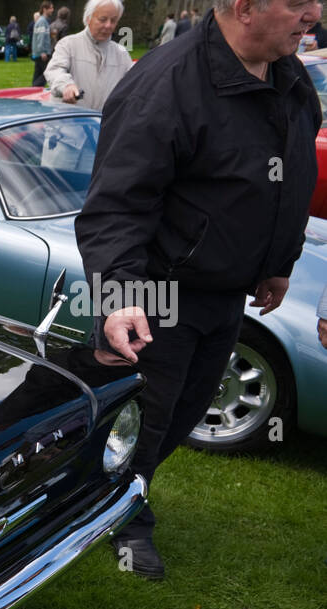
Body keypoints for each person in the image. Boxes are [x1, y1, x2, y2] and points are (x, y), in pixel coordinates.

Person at [75, 0, 323, 579]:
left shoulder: (290, 75)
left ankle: (110, 499)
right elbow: (115, 206)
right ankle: (121, 522)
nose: (312, 13)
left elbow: (288, 176)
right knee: (141, 418)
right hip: (157, 295)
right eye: (298, 3)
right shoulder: (166, 82)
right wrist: (118, 298)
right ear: (243, 7)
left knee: (185, 414)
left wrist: (278, 261)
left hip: (225, 294)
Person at [45, 0, 132, 110]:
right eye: (102, 19)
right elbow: (54, 70)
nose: (108, 25)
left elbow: (135, 86)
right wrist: (66, 86)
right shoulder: (68, 44)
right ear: (88, 18)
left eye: (113, 21)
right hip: (68, 123)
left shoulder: (122, 54)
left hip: (101, 124)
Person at [31, 1, 54, 85]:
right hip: (42, 54)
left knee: (38, 75)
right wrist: (42, 52)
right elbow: (40, 37)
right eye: (51, 8)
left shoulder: (42, 21)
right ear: (45, 9)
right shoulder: (42, 22)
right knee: (47, 74)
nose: (52, 10)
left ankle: (33, 91)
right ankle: (35, 88)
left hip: (39, 53)